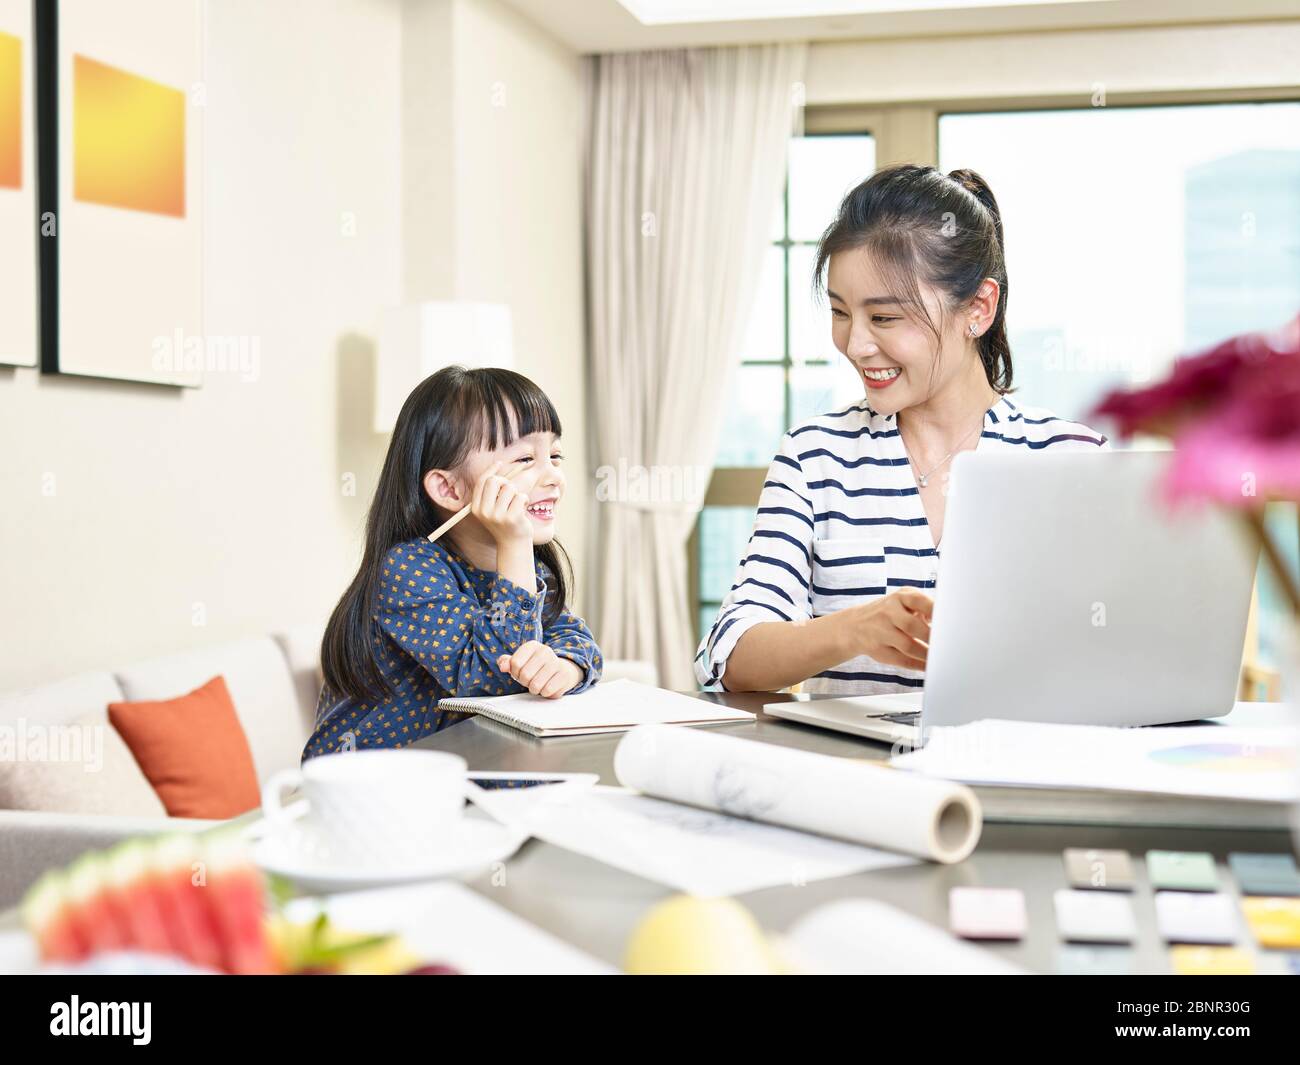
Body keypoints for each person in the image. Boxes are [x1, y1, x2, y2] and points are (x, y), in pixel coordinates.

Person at [696, 164, 1108, 695]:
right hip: (856, 775)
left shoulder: (1069, 458)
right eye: (842, 313)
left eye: (885, 318)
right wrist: (853, 629)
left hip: (1018, 770)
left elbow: (1119, 649)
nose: (856, 344)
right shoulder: (814, 459)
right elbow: (729, 657)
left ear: (978, 308)